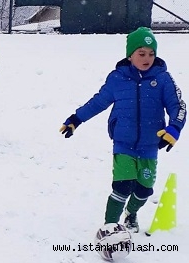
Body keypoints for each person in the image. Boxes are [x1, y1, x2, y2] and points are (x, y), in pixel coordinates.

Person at [59, 27, 186, 233]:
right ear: (130, 55)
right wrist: (76, 119)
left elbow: (177, 106)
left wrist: (174, 129)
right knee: (122, 186)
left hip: (149, 145)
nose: (147, 58)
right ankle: (109, 228)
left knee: (144, 190)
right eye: (141, 53)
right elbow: (98, 102)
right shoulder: (118, 78)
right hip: (123, 142)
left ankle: (132, 213)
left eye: (151, 54)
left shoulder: (163, 79)